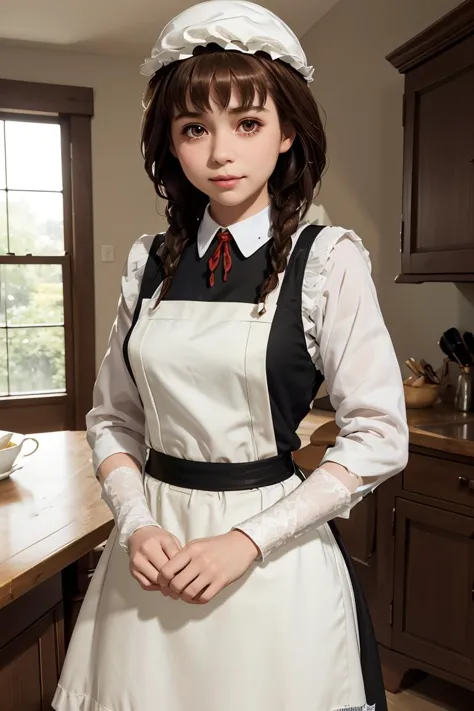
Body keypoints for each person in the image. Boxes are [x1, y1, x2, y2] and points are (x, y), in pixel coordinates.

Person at [52, 2, 408, 710]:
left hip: (275, 567)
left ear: (285, 134)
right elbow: (113, 420)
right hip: (148, 564)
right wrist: (137, 521)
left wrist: (245, 540)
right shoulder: (147, 264)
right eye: (194, 129)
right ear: (172, 146)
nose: (220, 153)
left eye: (247, 123)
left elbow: (379, 436)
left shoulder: (327, 260)